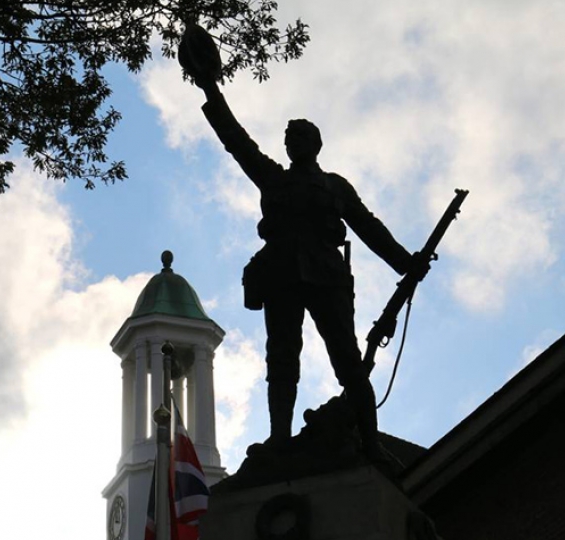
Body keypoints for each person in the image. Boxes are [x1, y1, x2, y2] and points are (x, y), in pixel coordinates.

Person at [181, 28, 427, 466]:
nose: (291, 143)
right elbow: (236, 141)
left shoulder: (335, 186)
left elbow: (369, 227)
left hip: (327, 277)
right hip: (281, 276)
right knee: (281, 359)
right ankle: (279, 438)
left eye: (299, 137)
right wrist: (209, 87)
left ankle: (369, 444)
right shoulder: (273, 178)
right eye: (288, 138)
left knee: (348, 363)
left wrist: (405, 262)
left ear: (314, 145)